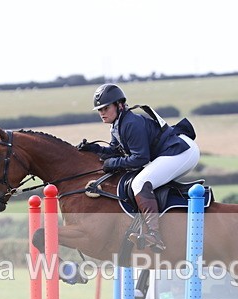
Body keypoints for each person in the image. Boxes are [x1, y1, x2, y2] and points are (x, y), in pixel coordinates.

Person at [77, 83, 200, 252]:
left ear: (119, 105)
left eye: (105, 108)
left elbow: (140, 159)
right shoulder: (117, 125)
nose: (102, 113)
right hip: (174, 151)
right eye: (99, 110)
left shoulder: (130, 123)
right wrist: (94, 149)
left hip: (182, 152)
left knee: (140, 183)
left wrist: (112, 164)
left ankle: (154, 235)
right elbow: (115, 152)